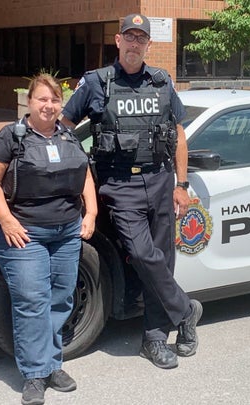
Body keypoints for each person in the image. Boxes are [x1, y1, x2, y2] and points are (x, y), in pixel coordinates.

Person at [61, 13, 202, 370]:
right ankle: (186, 309)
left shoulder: (161, 81)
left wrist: (181, 185)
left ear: (148, 45)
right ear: (118, 41)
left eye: (141, 38)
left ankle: (155, 338)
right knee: (142, 254)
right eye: (130, 36)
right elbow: (64, 129)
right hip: (119, 185)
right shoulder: (96, 83)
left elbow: (179, 134)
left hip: (159, 181)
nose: (135, 43)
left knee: (162, 260)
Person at [0, 72, 97, 405]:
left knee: (61, 300)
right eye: (42, 99)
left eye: (55, 99)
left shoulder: (69, 136)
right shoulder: (11, 137)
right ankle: (34, 374)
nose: (49, 105)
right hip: (24, 235)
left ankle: (52, 365)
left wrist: (90, 214)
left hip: (67, 232)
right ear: (29, 102)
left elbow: (85, 175)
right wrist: (6, 220)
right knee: (32, 302)